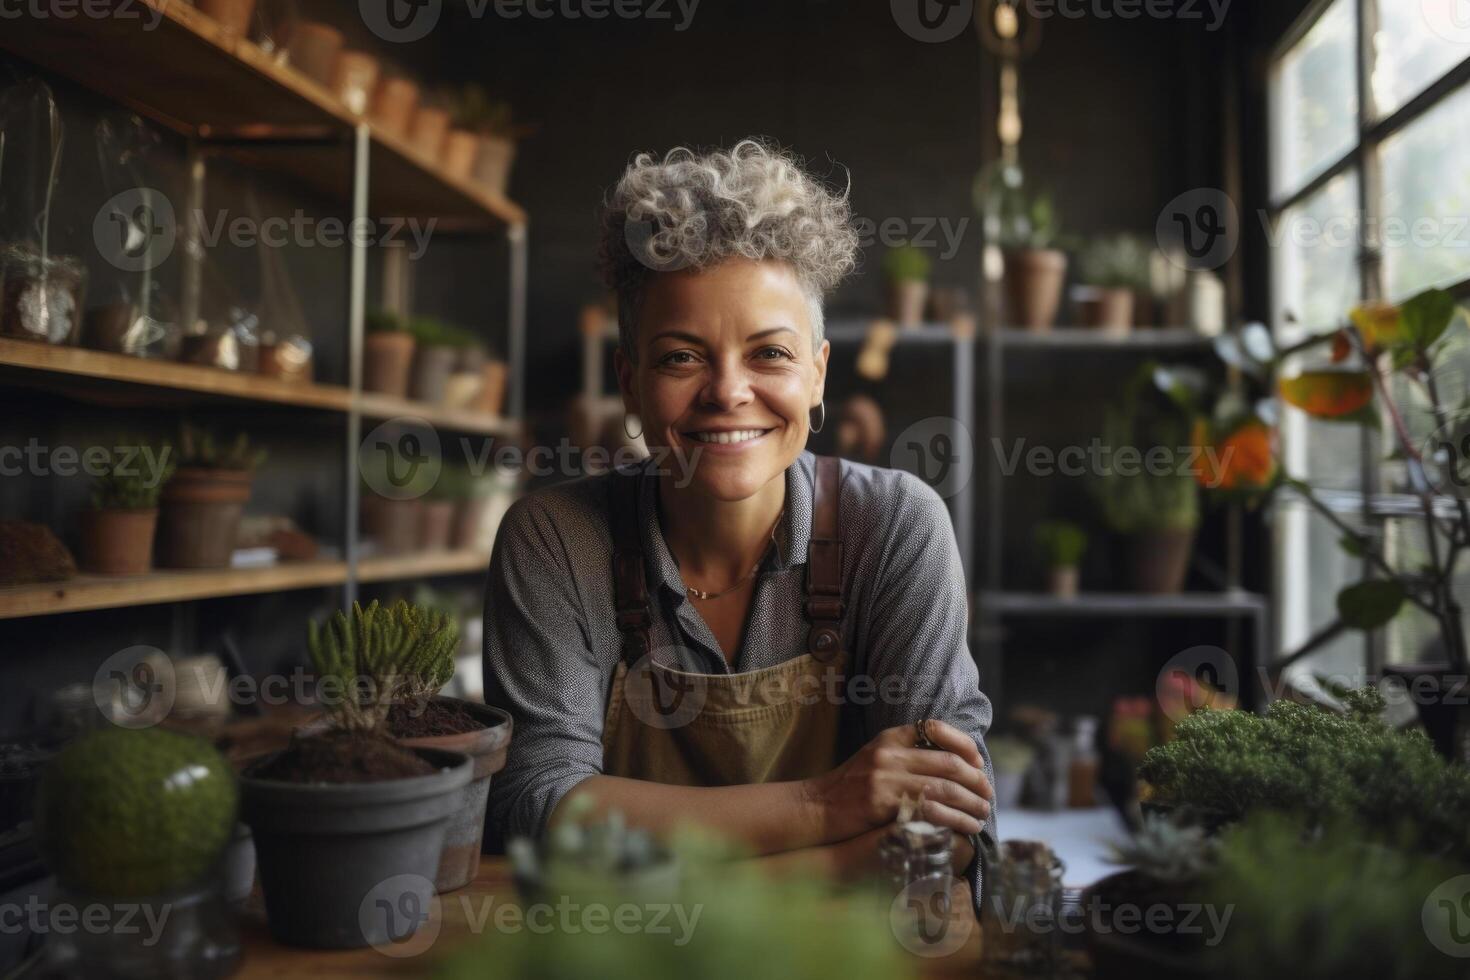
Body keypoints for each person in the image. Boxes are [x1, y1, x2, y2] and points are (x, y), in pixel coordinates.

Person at [483, 138, 996, 911]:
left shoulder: (894, 528)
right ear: (629, 382)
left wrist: (651, 879)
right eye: (683, 358)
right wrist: (827, 809)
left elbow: (944, 826)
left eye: (770, 354)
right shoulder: (555, 539)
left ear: (818, 373)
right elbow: (541, 812)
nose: (729, 392)